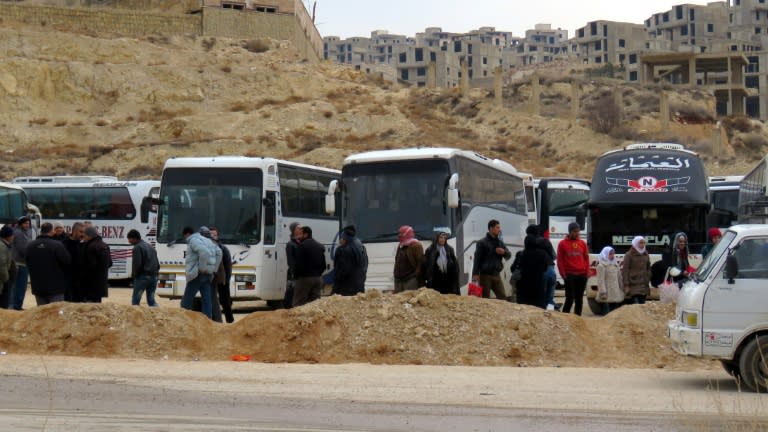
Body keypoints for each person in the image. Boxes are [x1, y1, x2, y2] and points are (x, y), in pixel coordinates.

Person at [180, 226, 222, 319]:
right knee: (207, 301)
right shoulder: (209, 241)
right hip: (208, 275)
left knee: (186, 301)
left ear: (187, 235)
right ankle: (208, 322)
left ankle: (182, 321)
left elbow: (204, 252)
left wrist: (201, 268)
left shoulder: (193, 240)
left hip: (197, 274)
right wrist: (214, 270)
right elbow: (219, 253)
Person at [25, 222, 71, 306]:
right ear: (52, 231)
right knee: (56, 314)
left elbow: (27, 261)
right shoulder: (57, 245)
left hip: (38, 286)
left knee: (42, 314)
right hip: (56, 287)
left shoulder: (30, 245)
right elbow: (67, 261)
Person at [471, 219, 512, 300]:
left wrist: (503, 252)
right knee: (486, 298)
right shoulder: (482, 242)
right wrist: (475, 273)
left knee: (502, 297)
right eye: (497, 227)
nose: (499, 229)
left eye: (499, 227)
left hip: (497, 274)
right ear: (491, 228)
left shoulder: (500, 243)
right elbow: (477, 259)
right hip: (485, 275)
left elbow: (509, 255)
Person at [556, 222, 590, 315]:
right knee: (570, 298)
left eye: (578, 231)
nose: (577, 233)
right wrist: (563, 274)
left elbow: (586, 259)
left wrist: (586, 273)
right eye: (575, 231)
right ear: (570, 232)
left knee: (579, 299)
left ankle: (577, 319)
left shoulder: (582, 243)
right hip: (569, 274)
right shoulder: (562, 244)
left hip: (581, 275)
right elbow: (560, 260)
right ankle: (564, 318)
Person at [293, 226, 326, 307]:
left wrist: (296, 276)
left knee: (299, 303)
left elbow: (298, 265)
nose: (297, 237)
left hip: (304, 279)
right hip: (318, 279)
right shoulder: (319, 246)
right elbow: (323, 265)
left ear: (306, 235)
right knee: (315, 305)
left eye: (300, 234)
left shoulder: (302, 246)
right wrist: (318, 274)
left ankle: (298, 320)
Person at [127, 229, 159, 307]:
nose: (128, 241)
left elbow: (137, 264)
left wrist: (135, 276)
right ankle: (157, 317)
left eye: (129, 239)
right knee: (151, 301)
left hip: (143, 277)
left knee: (136, 301)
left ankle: (135, 317)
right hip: (154, 277)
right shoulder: (150, 246)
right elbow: (157, 263)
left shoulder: (137, 247)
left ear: (134, 238)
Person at [332, 225, 368, 296]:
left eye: (341, 238)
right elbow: (365, 265)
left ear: (345, 238)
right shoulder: (361, 246)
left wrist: (336, 287)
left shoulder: (345, 250)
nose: (340, 240)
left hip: (347, 288)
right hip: (359, 284)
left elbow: (343, 271)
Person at [80, 226, 112, 303]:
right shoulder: (105, 245)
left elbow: (90, 266)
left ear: (89, 235)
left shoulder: (90, 246)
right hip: (101, 282)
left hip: (91, 284)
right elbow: (110, 263)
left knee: (90, 307)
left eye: (84, 236)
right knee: (97, 305)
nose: (83, 238)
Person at [516, 234, 549, 308]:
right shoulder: (542, 254)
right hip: (538, 284)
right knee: (538, 307)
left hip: (524, 285)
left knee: (525, 308)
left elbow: (516, 268)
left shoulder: (521, 254)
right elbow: (545, 268)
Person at [11, 216, 35, 310]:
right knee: (20, 286)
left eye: (28, 223)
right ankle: (16, 306)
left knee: (17, 286)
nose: (27, 225)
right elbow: (23, 249)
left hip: (19, 263)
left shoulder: (22, 232)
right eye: (25, 223)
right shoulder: (19, 233)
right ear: (21, 224)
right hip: (20, 263)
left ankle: (15, 305)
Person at [210, 227, 234, 323]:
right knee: (213, 300)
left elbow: (228, 266)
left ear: (217, 236)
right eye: (211, 234)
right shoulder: (207, 248)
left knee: (225, 301)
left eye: (215, 235)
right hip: (211, 279)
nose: (213, 236)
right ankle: (214, 320)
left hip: (222, 279)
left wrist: (227, 279)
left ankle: (230, 320)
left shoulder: (223, 249)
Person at [393, 225, 424, 293]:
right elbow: (397, 259)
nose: (399, 236)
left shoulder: (416, 245)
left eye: (401, 234)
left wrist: (415, 275)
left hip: (410, 280)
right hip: (398, 280)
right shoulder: (401, 245)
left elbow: (420, 263)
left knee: (409, 300)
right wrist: (395, 274)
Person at [595, 246, 624, 315]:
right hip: (606, 295)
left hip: (615, 294)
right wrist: (603, 292)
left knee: (614, 316)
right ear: (605, 254)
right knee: (607, 316)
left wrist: (622, 288)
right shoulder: (601, 266)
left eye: (613, 254)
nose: (612, 256)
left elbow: (619, 278)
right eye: (610, 254)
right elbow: (600, 281)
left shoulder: (615, 265)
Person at [623, 236, 651, 304]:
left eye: (643, 243)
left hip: (643, 285)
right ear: (636, 243)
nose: (642, 245)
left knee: (642, 306)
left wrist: (648, 276)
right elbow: (625, 270)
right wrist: (626, 284)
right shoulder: (629, 255)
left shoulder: (646, 254)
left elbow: (648, 268)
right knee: (636, 306)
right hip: (633, 284)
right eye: (640, 243)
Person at [62, 222, 85, 302]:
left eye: (84, 232)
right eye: (81, 232)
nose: (82, 234)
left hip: (80, 283)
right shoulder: (64, 244)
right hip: (67, 281)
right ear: (74, 231)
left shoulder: (84, 245)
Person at [284, 222, 302, 309]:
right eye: (298, 228)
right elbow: (290, 261)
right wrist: (293, 273)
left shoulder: (301, 242)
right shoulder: (290, 244)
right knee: (291, 292)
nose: (300, 229)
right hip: (294, 273)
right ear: (293, 230)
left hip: (302, 272)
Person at [0, 225, 16, 309]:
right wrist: (6, 280)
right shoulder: (2, 246)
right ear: (8, 236)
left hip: (3, 281)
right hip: (3, 282)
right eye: (12, 235)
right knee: (3, 306)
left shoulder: (5, 244)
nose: (13, 237)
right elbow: (2, 265)